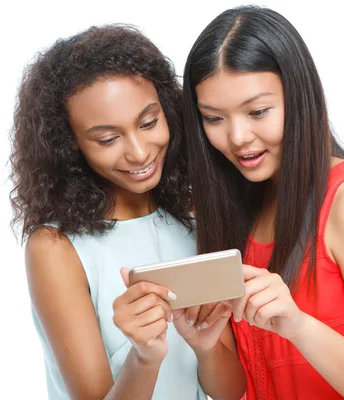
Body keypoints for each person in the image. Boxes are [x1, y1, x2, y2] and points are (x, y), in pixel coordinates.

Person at [182, 5, 344, 400]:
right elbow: (233, 391)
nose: (237, 137)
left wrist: (297, 325)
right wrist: (205, 344)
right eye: (214, 119)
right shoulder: (237, 209)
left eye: (258, 112)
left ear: (299, 98)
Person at [10, 24, 245, 399]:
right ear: (69, 145)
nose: (138, 152)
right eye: (107, 138)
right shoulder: (55, 248)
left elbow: (231, 391)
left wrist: (205, 347)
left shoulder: (193, 219)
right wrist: (145, 357)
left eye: (149, 122)